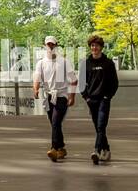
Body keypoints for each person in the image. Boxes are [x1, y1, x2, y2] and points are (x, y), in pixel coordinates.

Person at [32, 36, 76, 161]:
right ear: (44, 46)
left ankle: (54, 149)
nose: (50, 47)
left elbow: (73, 80)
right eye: (48, 45)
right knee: (54, 124)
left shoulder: (64, 62)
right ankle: (61, 148)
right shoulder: (41, 63)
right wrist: (35, 89)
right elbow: (37, 78)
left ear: (56, 46)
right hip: (49, 96)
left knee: (56, 122)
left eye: (52, 45)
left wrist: (72, 97)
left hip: (61, 95)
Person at [79, 35, 118, 164]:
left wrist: (108, 96)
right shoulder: (86, 63)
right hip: (92, 100)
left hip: (104, 100)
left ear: (101, 47)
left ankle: (96, 151)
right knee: (98, 127)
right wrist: (86, 97)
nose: (94, 48)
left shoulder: (108, 63)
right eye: (92, 46)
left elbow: (114, 83)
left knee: (101, 125)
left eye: (96, 46)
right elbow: (81, 83)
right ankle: (106, 150)